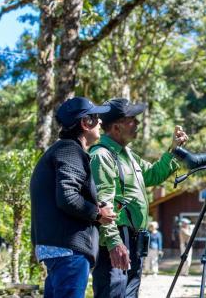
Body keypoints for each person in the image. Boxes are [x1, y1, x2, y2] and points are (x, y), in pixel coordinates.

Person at [90, 98, 188, 298]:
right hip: (117, 238)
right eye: (132, 119)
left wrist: (175, 150)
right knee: (113, 292)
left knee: (129, 293)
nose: (138, 123)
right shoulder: (102, 155)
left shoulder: (128, 155)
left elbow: (153, 174)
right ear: (116, 127)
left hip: (134, 239)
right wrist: (114, 243)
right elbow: (103, 204)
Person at [30, 97, 117, 298]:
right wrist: (98, 214)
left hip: (59, 250)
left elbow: (65, 193)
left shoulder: (61, 150)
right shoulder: (70, 150)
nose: (101, 122)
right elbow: (68, 196)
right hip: (69, 251)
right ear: (85, 123)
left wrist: (96, 204)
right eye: (96, 117)